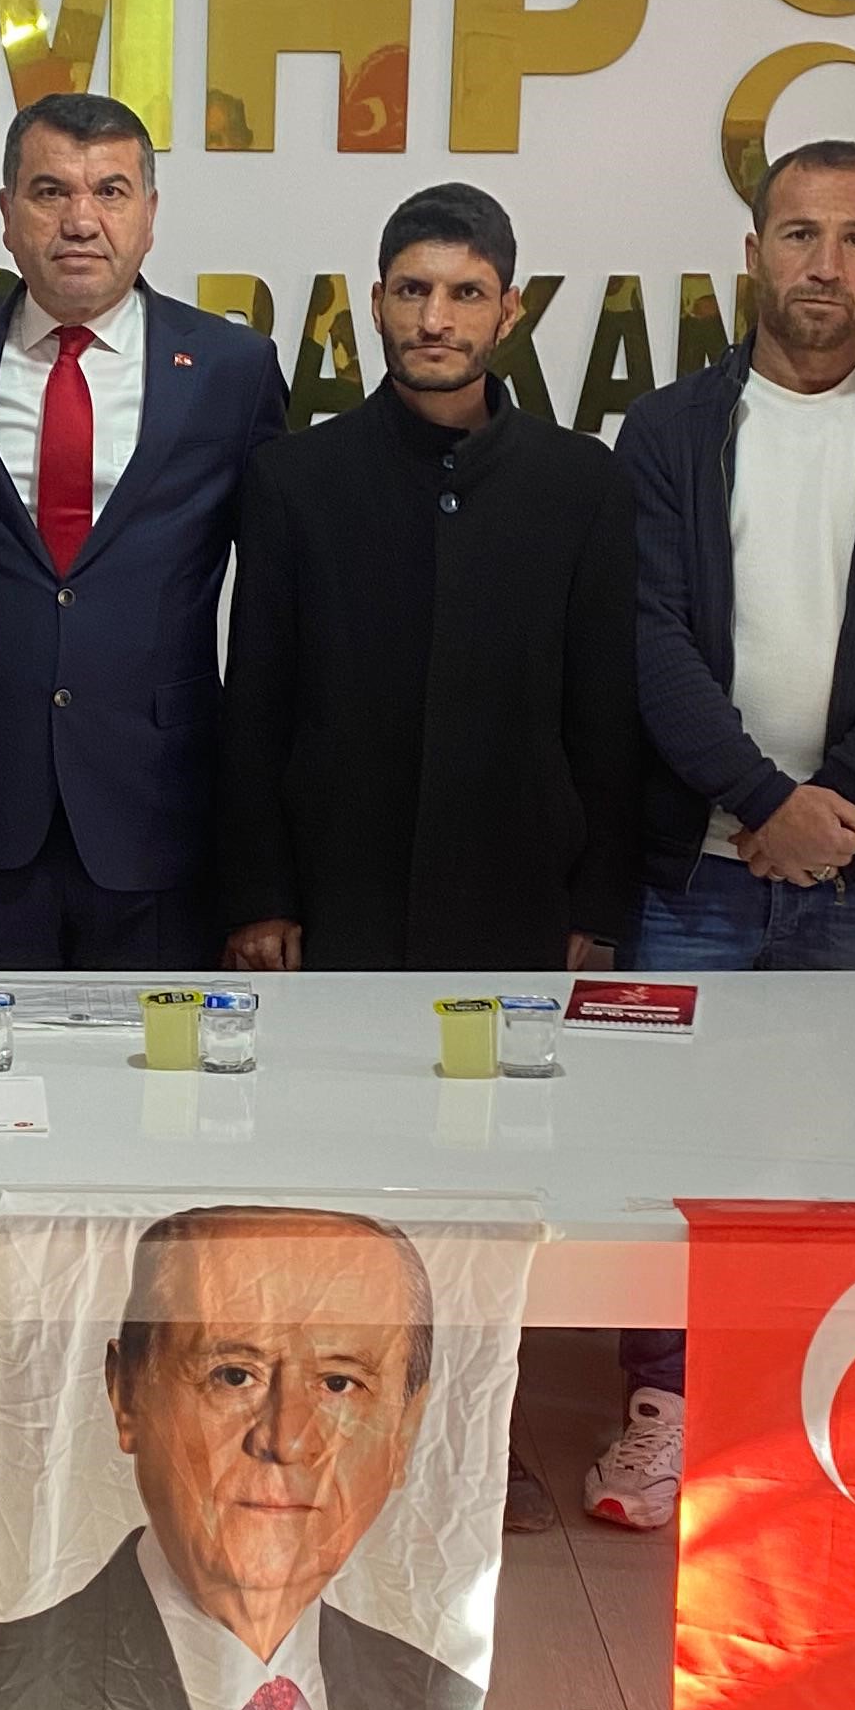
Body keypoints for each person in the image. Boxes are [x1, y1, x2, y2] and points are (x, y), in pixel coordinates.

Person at [583, 138, 855, 1533]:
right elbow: (645, 637)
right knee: (675, 1148)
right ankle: (664, 1407)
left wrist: (833, 810)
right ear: (753, 250)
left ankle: (803, 1413)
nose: (825, 263)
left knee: (832, 1151)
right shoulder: (669, 431)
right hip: (694, 864)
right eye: (800, 233)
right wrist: (762, 800)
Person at [0, 89, 287, 1506]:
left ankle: (148, 1418)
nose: (80, 219)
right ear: (6, 211)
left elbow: (278, 585)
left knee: (152, 1130)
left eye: (111, 191)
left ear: (151, 214)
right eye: (51, 190)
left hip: (158, 810)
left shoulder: (228, 369)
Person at [217, 180, 637, 1536]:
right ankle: (324, 1438)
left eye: (464, 293)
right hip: (337, 897)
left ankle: (470, 1443)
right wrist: (262, 894)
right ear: (376, 303)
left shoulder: (581, 485)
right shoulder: (298, 479)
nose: (435, 318)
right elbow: (256, 701)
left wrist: (594, 904)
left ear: (508, 310)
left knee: (481, 1187)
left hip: (511, 896)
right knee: (333, 1178)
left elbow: (606, 712)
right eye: (412, 290)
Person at [0, 1206, 478, 1710]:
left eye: (339, 1384)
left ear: (404, 1432)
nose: (286, 1439)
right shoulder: (20, 1688)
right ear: (126, 1395)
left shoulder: (441, 1709)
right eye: (235, 1376)